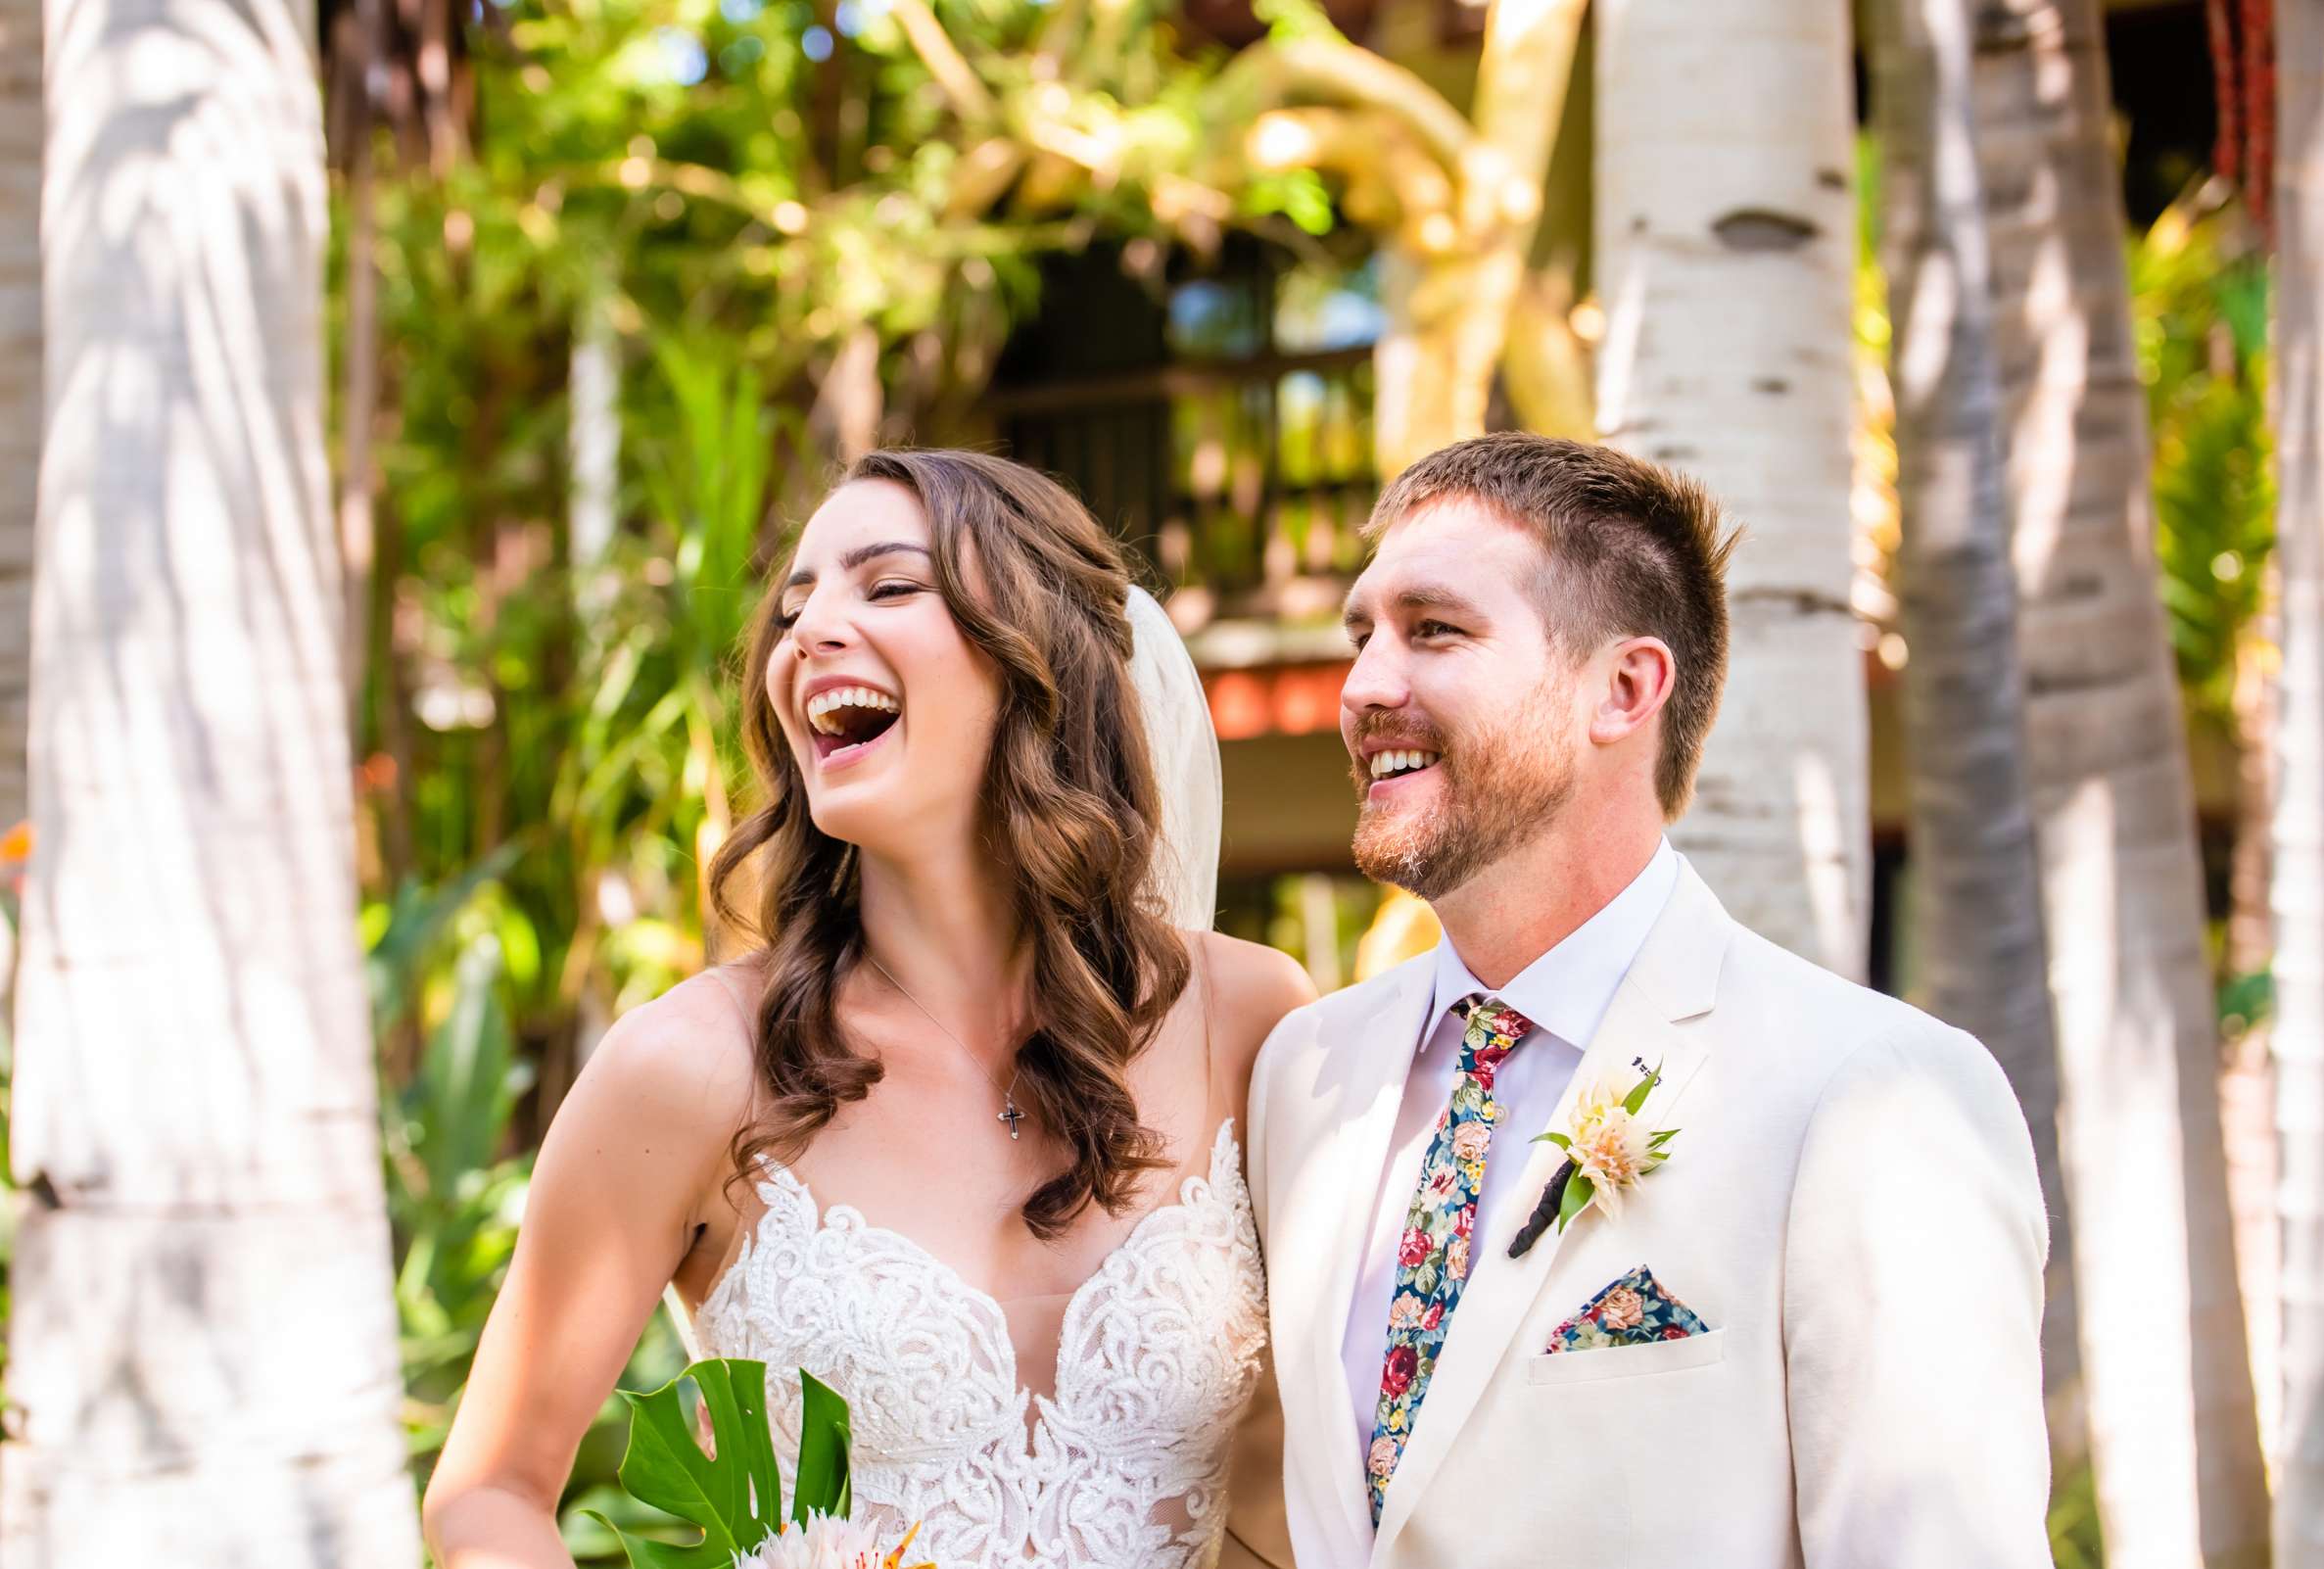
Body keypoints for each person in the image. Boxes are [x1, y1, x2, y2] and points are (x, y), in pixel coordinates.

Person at [423, 449, 1313, 1569]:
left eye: (888, 587)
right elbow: (490, 1492)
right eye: (795, 608)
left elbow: (1295, 1491)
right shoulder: (694, 1067)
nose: (808, 636)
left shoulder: (1249, 1017)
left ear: (1041, 662)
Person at [1248, 433, 2055, 1568]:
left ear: (1623, 689)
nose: (1365, 686)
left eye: (1433, 629)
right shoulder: (1304, 1074)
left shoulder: (1873, 1095)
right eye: (1362, 635)